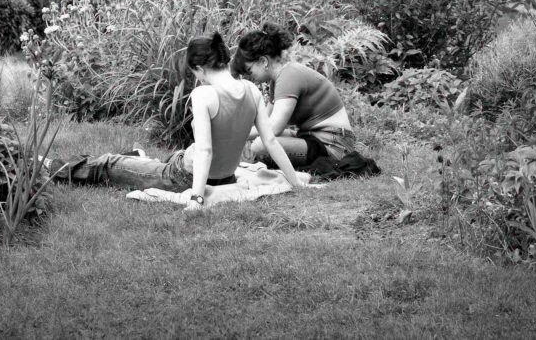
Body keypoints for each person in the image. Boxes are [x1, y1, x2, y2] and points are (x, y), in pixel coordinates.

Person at [44, 32, 303, 211]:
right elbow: (270, 141)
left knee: (109, 164)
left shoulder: (204, 94)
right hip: (224, 177)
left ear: (200, 68)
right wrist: (295, 182)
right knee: (155, 162)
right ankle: (138, 158)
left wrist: (197, 198)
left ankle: (49, 166)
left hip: (182, 176)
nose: (197, 78)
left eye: (195, 73)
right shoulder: (251, 90)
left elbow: (205, 151)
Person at [232, 22, 359, 168]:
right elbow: (264, 122)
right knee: (257, 141)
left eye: (249, 70)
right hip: (311, 137)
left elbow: (274, 128)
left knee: (260, 145)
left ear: (263, 61)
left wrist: (234, 135)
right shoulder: (277, 80)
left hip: (334, 144)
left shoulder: (289, 76)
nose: (249, 76)